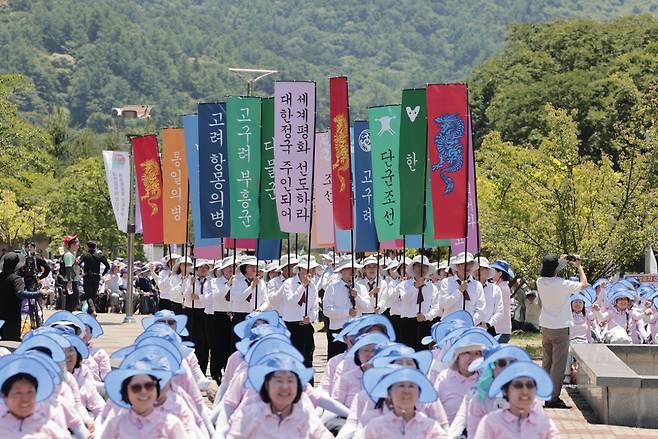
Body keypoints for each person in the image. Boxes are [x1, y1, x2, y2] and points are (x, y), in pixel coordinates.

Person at [226, 351, 332, 438]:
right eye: (279, 381)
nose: (285, 387)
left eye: (290, 381)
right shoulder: (250, 412)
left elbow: (323, 435)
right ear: (266, 385)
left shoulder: (302, 410)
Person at [535, 253, 587, 409]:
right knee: (558, 366)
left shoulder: (540, 282)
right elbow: (584, 284)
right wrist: (579, 267)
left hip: (546, 326)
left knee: (547, 362)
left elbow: (553, 268)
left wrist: (564, 259)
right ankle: (553, 399)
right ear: (556, 269)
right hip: (561, 328)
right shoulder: (563, 284)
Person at [101, 354, 186, 438]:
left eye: (149, 386)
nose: (143, 392)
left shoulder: (172, 425)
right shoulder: (115, 425)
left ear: (156, 389)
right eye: (136, 387)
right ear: (126, 392)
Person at [474, 361, 559, 438]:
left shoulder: (545, 424)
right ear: (506, 391)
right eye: (518, 385)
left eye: (529, 385)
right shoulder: (491, 422)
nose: (525, 391)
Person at [361, 367, 445, 439]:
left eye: (411, 386)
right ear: (389, 394)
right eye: (401, 385)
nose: (406, 391)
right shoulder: (376, 426)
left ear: (419, 394)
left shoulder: (430, 427)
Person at [0, 354, 71, 438]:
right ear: (5, 396)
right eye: (18, 392)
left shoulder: (48, 427)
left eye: (30, 392)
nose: (25, 399)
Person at [323, 256, 364, 358]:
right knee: (336, 364)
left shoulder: (361, 287)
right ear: (342, 271)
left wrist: (357, 296)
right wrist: (347, 312)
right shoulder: (332, 288)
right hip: (338, 330)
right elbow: (327, 310)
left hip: (356, 331)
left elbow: (369, 307)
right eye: (349, 268)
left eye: (354, 268)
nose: (352, 271)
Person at [0, 252, 43, 341]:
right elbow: (21, 294)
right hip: (12, 317)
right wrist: (40, 293)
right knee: (11, 343)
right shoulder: (16, 279)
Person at [439, 252, 485, 325]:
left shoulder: (477, 285)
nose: (468, 267)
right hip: (449, 324)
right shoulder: (446, 282)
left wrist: (470, 322)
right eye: (464, 264)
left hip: (469, 327)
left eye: (470, 264)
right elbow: (444, 304)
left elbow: (481, 309)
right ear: (457, 266)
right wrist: (459, 291)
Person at [80, 240, 110, 316]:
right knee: (93, 294)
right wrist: (102, 274)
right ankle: (91, 312)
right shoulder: (99, 256)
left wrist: (80, 272)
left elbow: (78, 263)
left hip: (87, 276)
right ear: (95, 247)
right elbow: (108, 266)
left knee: (88, 294)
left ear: (88, 247)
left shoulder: (85, 255)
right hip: (96, 276)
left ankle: (92, 310)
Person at [490, 260, 515, 343]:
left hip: (501, 330)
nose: (491, 274)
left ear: (500, 273)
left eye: (494, 271)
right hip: (500, 329)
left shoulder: (501, 288)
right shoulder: (501, 286)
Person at [60, 235, 83, 312]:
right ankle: (68, 316)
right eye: (77, 243)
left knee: (71, 301)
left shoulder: (71, 254)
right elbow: (68, 268)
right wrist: (70, 282)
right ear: (72, 245)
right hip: (70, 281)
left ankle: (68, 316)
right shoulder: (69, 255)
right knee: (73, 300)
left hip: (72, 280)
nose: (78, 245)